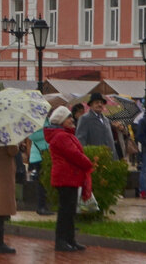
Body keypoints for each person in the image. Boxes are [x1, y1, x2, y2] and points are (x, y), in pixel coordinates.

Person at [45, 105, 93, 252]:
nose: (72, 120)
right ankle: (61, 241)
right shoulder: (61, 136)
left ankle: (70, 240)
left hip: (70, 177)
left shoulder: (65, 134)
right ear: (61, 120)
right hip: (65, 178)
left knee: (70, 210)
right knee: (65, 211)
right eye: (69, 118)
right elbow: (74, 154)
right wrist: (88, 163)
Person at [27, 120, 51, 215]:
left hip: (47, 155)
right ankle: (41, 207)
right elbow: (32, 136)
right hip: (38, 156)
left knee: (45, 182)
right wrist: (46, 131)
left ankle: (44, 206)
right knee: (41, 183)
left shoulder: (48, 121)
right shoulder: (35, 121)